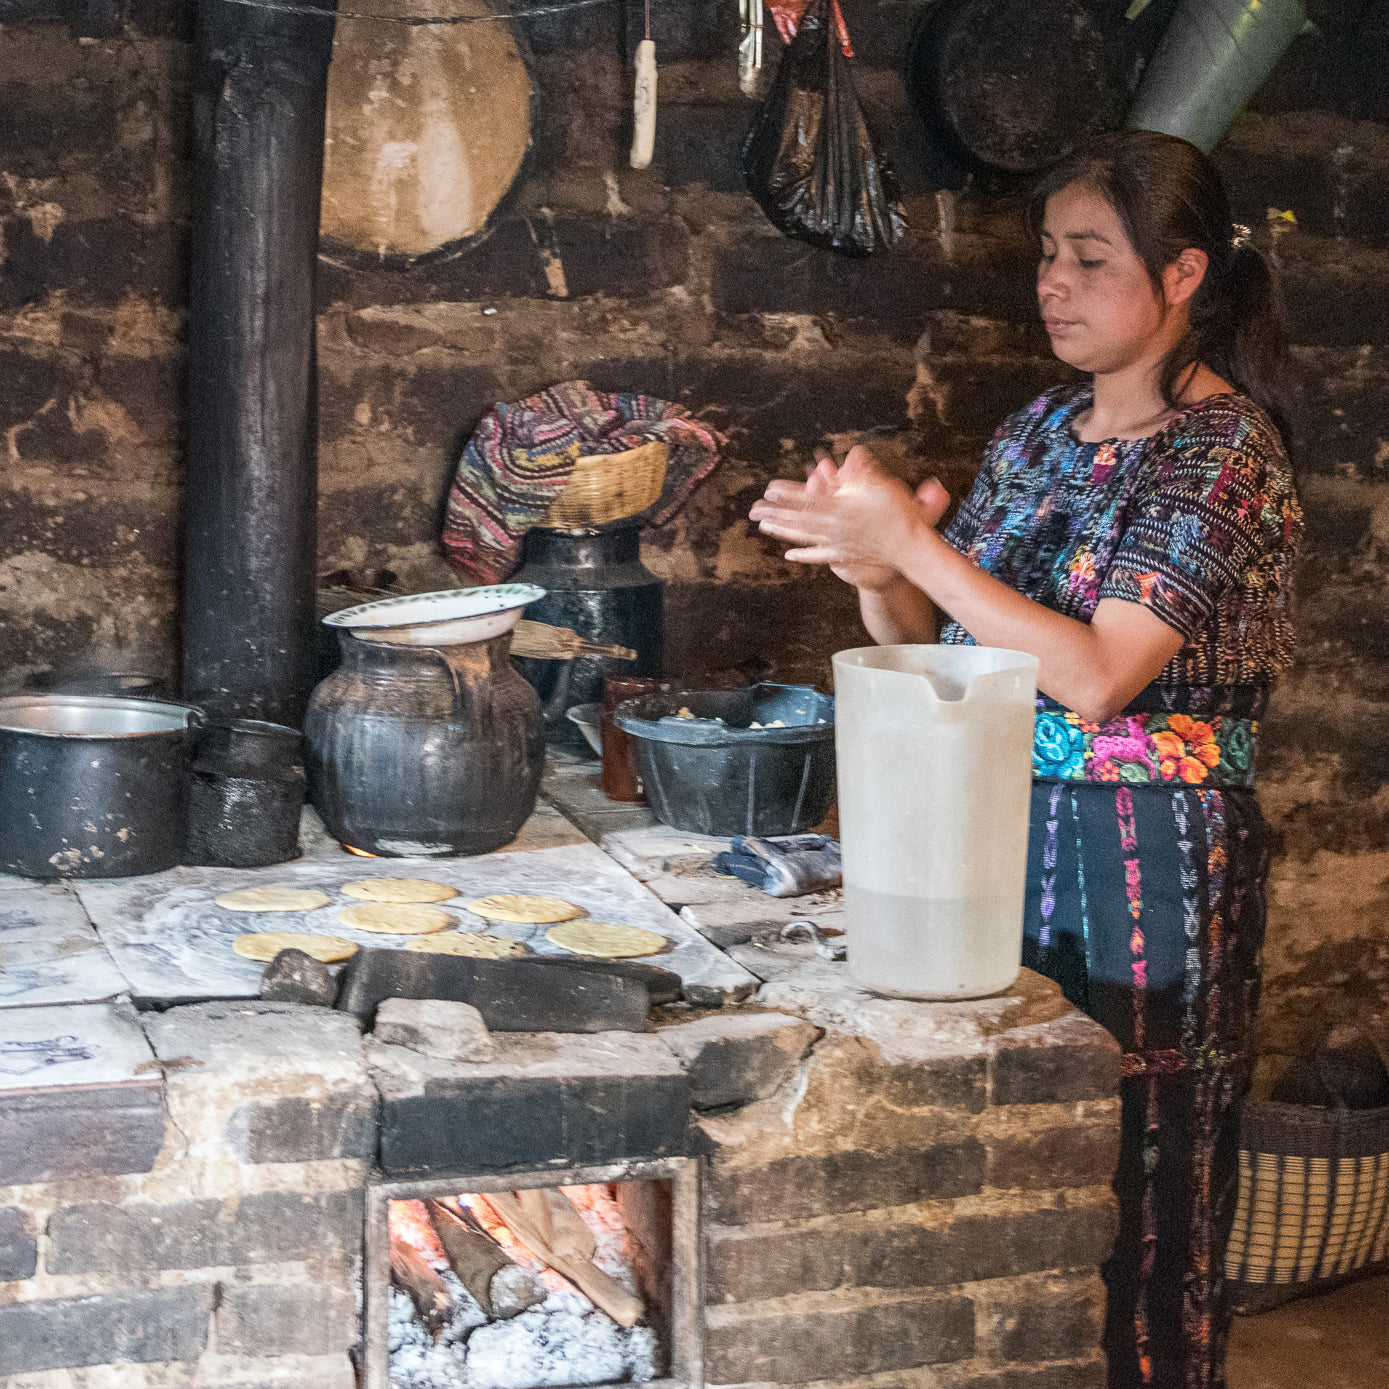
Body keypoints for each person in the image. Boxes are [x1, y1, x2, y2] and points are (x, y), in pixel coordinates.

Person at [749, 129, 1303, 1389]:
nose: (1052, 281)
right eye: (1049, 254)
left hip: (1151, 850)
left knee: (1141, 1160)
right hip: (1001, 818)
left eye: (1090, 258)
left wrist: (915, 542)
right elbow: (950, 649)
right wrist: (879, 568)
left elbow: (1100, 675)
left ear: (1182, 276)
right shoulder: (1042, 430)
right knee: (1010, 1132)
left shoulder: (1223, 453)